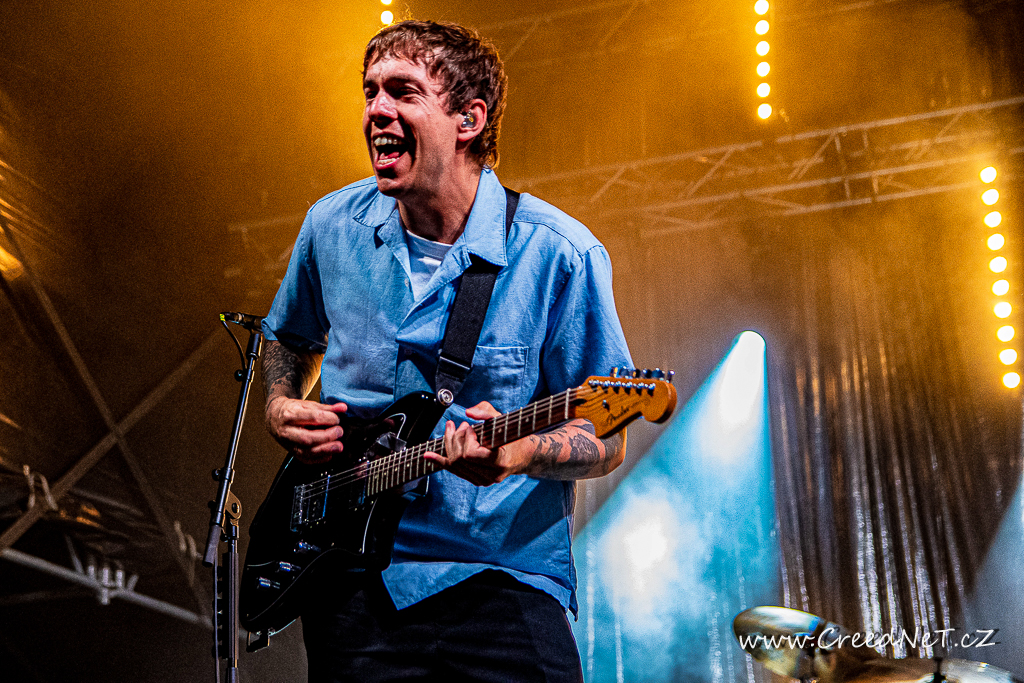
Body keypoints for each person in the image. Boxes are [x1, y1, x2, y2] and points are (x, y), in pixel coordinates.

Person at [260, 19, 632, 682]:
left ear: (468, 119)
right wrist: (281, 402)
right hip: (351, 582)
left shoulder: (559, 253)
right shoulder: (330, 226)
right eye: (370, 92)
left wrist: (516, 453)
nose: (376, 110)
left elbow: (607, 433)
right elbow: (289, 337)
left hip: (498, 579)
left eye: (402, 92)